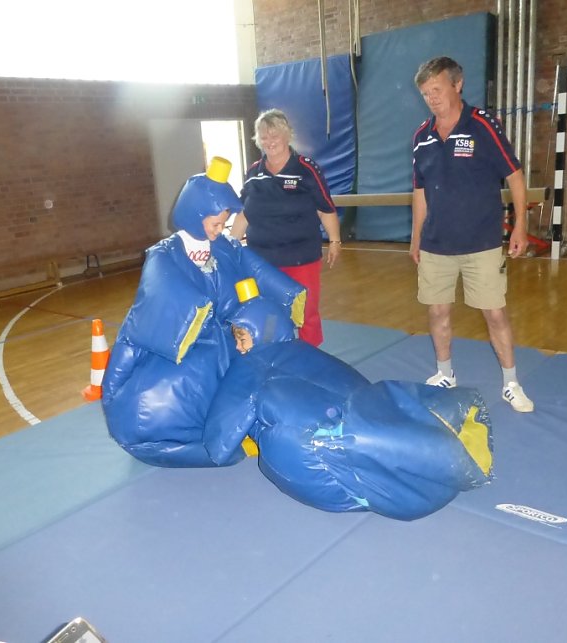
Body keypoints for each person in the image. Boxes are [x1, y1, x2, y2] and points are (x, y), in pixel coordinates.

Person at [202, 278, 494, 521]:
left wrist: (247, 441)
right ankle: (436, 447)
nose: (239, 348)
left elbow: (219, 445)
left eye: (242, 339)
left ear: (253, 334)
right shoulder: (302, 348)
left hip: (319, 454)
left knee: (283, 435)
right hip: (368, 408)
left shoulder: (247, 367)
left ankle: (373, 479)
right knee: (373, 423)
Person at [101, 157, 306, 467]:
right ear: (196, 214)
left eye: (224, 223)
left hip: (221, 340)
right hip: (181, 343)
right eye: (216, 223)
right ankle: (219, 434)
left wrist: (271, 306)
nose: (220, 229)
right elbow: (160, 294)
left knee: (266, 336)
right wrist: (200, 313)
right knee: (172, 395)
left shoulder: (225, 248)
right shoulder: (164, 255)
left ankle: (246, 424)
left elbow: (256, 272)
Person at [409, 56, 534, 413]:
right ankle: (445, 373)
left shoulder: (483, 126)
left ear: (457, 84)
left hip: (481, 242)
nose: (432, 98)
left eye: (437, 89)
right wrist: (416, 237)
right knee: (437, 311)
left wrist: (520, 226)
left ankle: (511, 383)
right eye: (425, 93)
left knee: (495, 314)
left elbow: (514, 175)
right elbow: (420, 191)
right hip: (436, 243)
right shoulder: (422, 137)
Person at [230, 108, 341, 347]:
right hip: (261, 261)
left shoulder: (306, 168)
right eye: (264, 136)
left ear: (287, 135)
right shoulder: (253, 172)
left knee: (305, 314)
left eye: (275, 135)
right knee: (268, 312)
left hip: (301, 258)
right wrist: (229, 245)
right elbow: (244, 214)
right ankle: (274, 356)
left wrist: (334, 240)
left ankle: (309, 362)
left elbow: (325, 208)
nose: (270, 141)